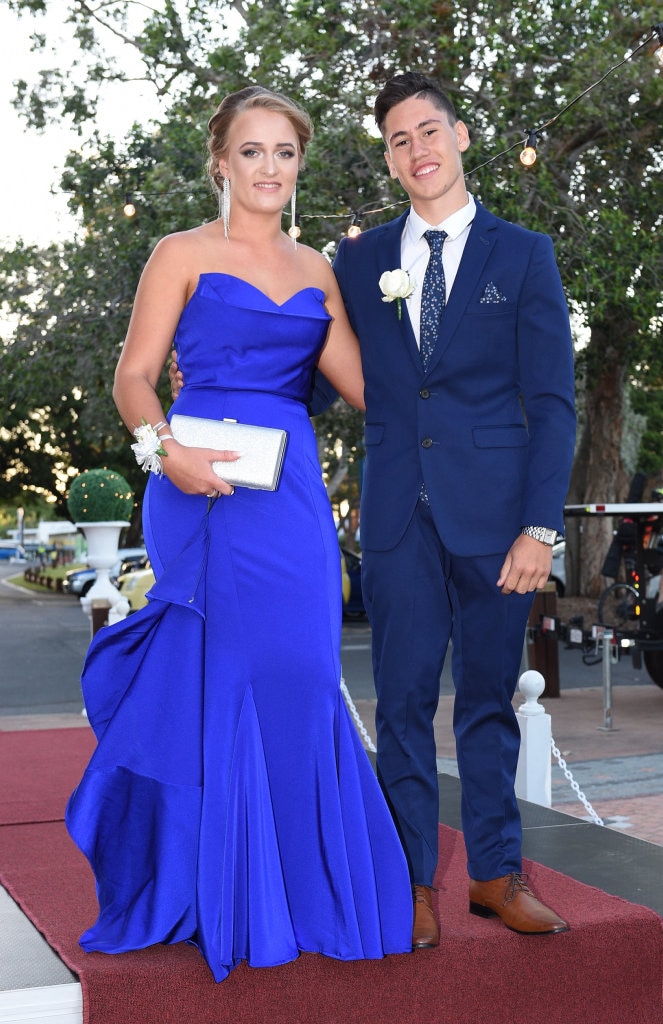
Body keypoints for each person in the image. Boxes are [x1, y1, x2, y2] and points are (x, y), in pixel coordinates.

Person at [170, 72, 577, 948]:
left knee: (487, 701)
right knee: (395, 703)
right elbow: (317, 372)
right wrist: (212, 387)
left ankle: (496, 876)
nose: (417, 149)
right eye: (398, 140)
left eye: (428, 131)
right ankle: (411, 882)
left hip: (498, 520)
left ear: (460, 137)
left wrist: (539, 527)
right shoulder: (355, 262)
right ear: (389, 160)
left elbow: (552, 404)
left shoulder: (525, 255)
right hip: (394, 515)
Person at [65, 85, 413, 984]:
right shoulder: (178, 253)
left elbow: (370, 391)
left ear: (299, 166)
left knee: (300, 672)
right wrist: (164, 452)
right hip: (196, 485)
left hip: (286, 494)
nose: (268, 168)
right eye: (251, 151)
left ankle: (302, 894)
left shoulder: (318, 271)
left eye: (284, 153)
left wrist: (423, 320)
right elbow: (134, 377)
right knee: (219, 679)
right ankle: (216, 890)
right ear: (220, 160)